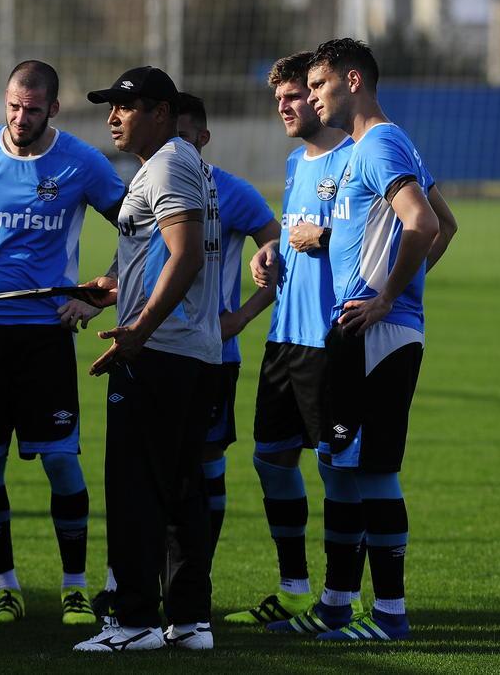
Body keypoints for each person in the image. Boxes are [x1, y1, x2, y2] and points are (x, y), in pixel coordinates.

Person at [0, 60, 126, 626]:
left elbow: (140, 228)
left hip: (44, 336)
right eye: (12, 106)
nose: (19, 117)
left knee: (61, 464)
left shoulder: (82, 163)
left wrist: (99, 293)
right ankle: (7, 588)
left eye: (31, 109)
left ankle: (74, 588)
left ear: (53, 109)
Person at [267, 38, 454, 642]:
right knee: (339, 465)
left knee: (372, 472)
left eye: (317, 86)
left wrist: (389, 299)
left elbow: (423, 224)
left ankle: (391, 616)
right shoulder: (363, 150)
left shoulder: (380, 143)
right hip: (353, 332)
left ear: (352, 81)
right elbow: (444, 224)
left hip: (377, 333)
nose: (312, 97)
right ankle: (336, 605)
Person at [74, 66, 222, 653]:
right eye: (110, 106)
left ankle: (133, 621)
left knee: (135, 488)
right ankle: (189, 621)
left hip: (162, 353)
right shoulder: (168, 165)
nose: (113, 116)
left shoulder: (167, 163)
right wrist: (114, 288)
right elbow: (165, 254)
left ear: (161, 111)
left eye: (126, 106)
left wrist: (137, 329)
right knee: (180, 487)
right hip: (184, 352)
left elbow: (185, 259)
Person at [224, 51, 358, 626]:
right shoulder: (294, 162)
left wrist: (328, 238)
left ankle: (340, 599)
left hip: (333, 340)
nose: (284, 106)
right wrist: (272, 252)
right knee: (271, 460)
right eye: (277, 98)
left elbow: (419, 227)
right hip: (285, 338)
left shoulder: (363, 154)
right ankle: (295, 587)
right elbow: (293, 233)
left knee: (338, 469)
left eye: (294, 96)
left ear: (320, 94)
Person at [175, 92, 279, 559]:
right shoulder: (144, 187)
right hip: (153, 349)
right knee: (159, 467)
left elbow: (280, 251)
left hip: (215, 354)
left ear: (202, 138)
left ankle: (200, 574)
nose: (172, 149)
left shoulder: (232, 192)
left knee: (207, 462)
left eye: (182, 137)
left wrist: (244, 314)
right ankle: (152, 577)